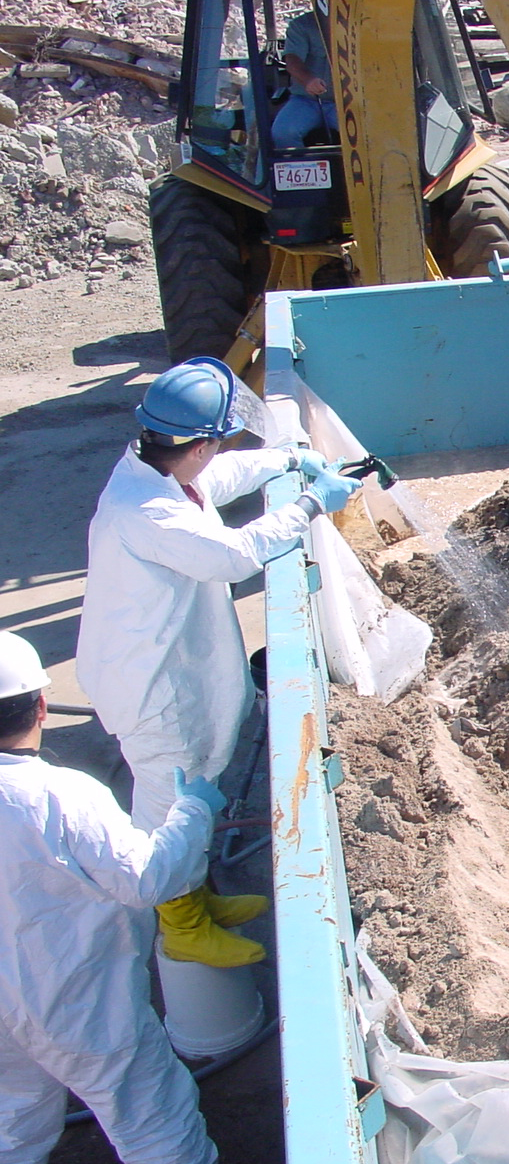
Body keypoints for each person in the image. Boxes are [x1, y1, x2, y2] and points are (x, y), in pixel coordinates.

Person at [76, 357, 359, 968]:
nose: (220, 450)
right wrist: (310, 503)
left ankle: (196, 895)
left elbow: (222, 476)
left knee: (194, 789)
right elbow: (235, 553)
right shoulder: (145, 511)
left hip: (168, 668)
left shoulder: (160, 473)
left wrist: (286, 460)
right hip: (151, 689)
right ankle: (179, 923)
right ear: (199, 444)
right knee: (168, 808)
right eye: (218, 439)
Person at [0, 631, 231, 1164]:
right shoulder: (57, 795)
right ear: (43, 706)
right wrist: (192, 813)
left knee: (13, 1111)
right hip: (75, 998)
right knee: (150, 1111)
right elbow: (148, 878)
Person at [273, 0, 337, 149]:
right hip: (307, 101)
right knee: (283, 132)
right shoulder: (302, 25)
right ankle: (298, 170)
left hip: (351, 103)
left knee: (374, 131)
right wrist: (309, 80)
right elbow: (292, 59)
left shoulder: (365, 25)